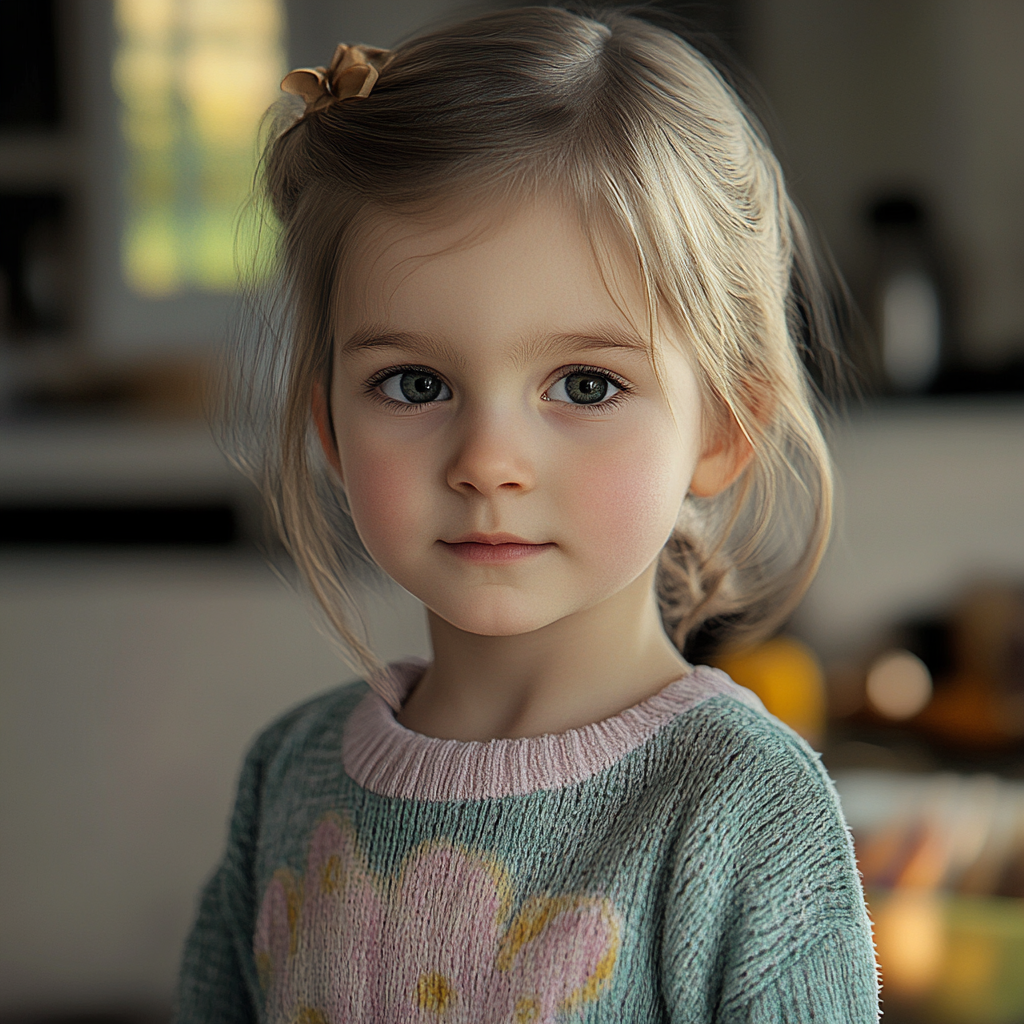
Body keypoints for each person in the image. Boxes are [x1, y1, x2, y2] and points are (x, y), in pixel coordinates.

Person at [175, 7, 879, 1022]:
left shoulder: (739, 813)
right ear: (327, 423)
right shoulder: (285, 777)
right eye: (414, 383)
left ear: (723, 428)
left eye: (584, 385)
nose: (488, 462)